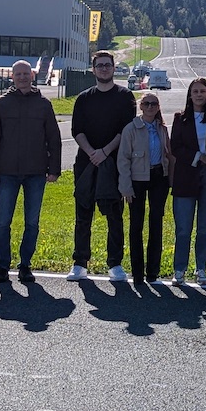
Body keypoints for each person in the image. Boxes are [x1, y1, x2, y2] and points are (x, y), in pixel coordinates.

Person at [0, 60, 61, 284]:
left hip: (36, 173)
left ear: (32, 75)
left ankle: (25, 265)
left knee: (32, 222)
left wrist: (54, 169)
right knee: (3, 222)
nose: (22, 77)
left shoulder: (44, 104)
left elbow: (54, 139)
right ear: (12, 77)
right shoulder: (2, 104)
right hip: (7, 172)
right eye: (18, 74)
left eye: (25, 74)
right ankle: (2, 266)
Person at [67, 51, 136, 282]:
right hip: (86, 163)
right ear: (93, 69)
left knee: (114, 216)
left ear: (114, 68)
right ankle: (80, 263)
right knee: (83, 215)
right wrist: (92, 153)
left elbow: (125, 130)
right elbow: (77, 130)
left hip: (114, 163)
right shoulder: (84, 98)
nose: (104, 69)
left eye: (107, 65)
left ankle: (115, 264)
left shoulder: (125, 96)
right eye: (100, 65)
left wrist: (105, 152)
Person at [118, 92, 173, 283]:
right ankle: (137, 272)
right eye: (147, 103)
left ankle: (152, 271)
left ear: (158, 107)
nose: (150, 107)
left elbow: (168, 155)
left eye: (154, 104)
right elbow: (123, 159)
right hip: (137, 180)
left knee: (156, 223)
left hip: (159, 178)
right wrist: (125, 187)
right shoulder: (131, 129)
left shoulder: (161, 128)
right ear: (140, 106)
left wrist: (170, 180)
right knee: (136, 225)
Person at [170, 78, 206, 286]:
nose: (199, 95)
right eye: (195, 91)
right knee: (183, 228)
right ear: (189, 94)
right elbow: (175, 147)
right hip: (186, 176)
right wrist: (198, 156)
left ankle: (201, 269)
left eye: (203, 91)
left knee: (205, 228)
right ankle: (179, 269)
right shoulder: (180, 118)